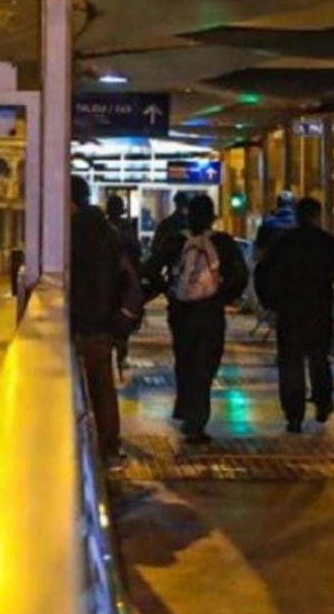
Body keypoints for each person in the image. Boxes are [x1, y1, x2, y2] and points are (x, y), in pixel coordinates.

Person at [143, 194, 249, 445]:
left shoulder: (176, 241)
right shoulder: (223, 243)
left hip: (181, 311)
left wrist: (168, 290)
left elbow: (150, 269)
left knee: (186, 359)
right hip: (210, 312)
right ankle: (197, 420)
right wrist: (223, 296)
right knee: (207, 363)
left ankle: (187, 410)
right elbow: (240, 275)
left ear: (188, 216)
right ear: (212, 217)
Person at [254, 197, 334, 432]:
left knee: (291, 363)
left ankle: (293, 414)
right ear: (317, 216)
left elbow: (262, 271)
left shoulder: (282, 242)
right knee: (319, 360)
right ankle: (322, 402)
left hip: (289, 311)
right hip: (319, 311)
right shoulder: (326, 242)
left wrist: (269, 302)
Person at [69, 176, 143, 460]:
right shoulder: (109, 233)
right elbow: (127, 276)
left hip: (75, 323)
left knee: (72, 390)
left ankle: (77, 449)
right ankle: (109, 446)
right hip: (104, 324)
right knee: (103, 387)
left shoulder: (68, 233)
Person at [104, 194, 143, 375]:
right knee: (124, 321)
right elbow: (137, 252)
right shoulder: (127, 228)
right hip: (124, 282)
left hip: (107, 282)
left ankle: (113, 352)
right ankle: (120, 354)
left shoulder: (102, 228)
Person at [253, 190, 299, 260]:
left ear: (278, 204)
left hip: (273, 266)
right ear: (294, 205)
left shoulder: (268, 223)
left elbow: (258, 252)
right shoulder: (299, 223)